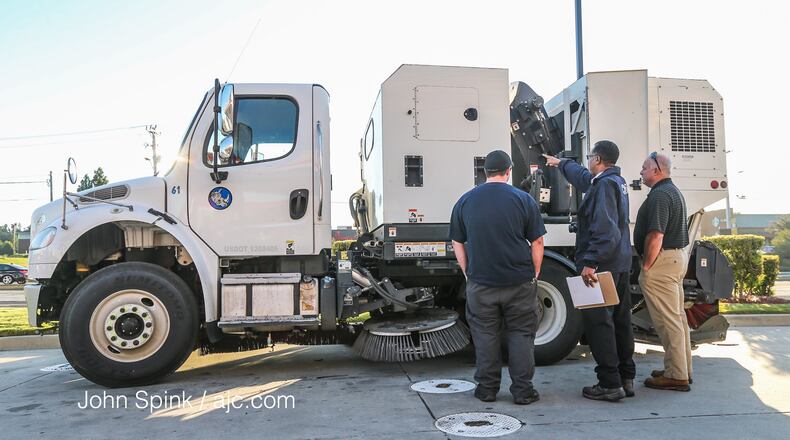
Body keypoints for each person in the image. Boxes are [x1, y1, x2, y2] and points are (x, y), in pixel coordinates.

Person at [450, 149, 546, 405]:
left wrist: (468, 271)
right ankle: (523, 391)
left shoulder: (465, 201)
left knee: (485, 336)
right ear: (508, 171)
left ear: (485, 173)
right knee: (521, 335)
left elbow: (457, 241)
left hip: (481, 284)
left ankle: (486, 389)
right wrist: (535, 273)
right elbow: (536, 240)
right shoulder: (524, 200)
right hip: (519, 282)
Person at [543, 140, 635, 402]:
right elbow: (584, 180)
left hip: (601, 267)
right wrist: (562, 164)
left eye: (589, 157)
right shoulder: (613, 181)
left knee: (599, 324)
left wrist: (590, 263)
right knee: (620, 321)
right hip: (619, 264)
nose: (587, 161)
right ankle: (625, 378)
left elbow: (604, 230)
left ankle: (609, 384)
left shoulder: (604, 186)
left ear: (597, 159)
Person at [634, 151, 692, 392]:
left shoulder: (660, 195)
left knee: (668, 321)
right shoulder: (673, 191)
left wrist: (647, 265)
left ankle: (676, 375)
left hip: (662, 263)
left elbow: (656, 234)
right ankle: (680, 369)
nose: (641, 172)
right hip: (675, 258)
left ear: (657, 170)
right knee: (677, 318)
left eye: (644, 168)